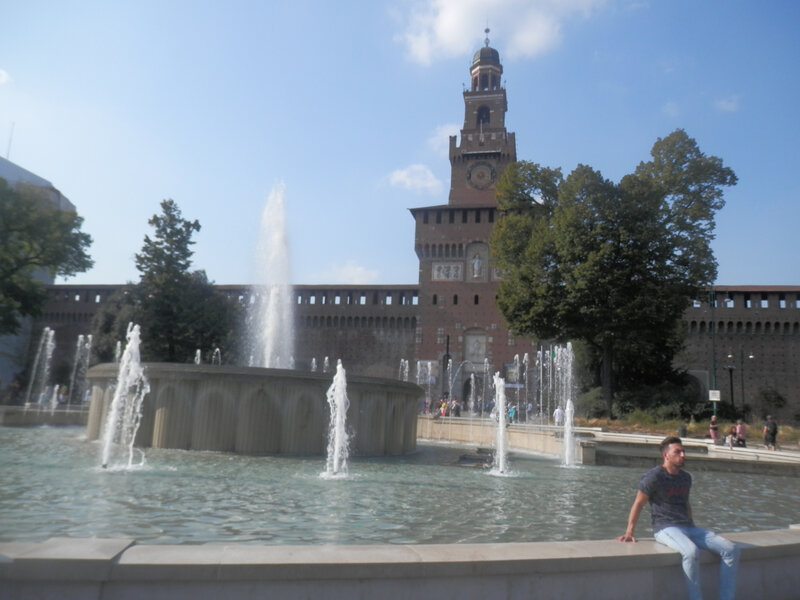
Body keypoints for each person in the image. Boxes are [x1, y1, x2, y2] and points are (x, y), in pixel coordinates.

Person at [617, 436, 739, 600]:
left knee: (730, 550)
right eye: (678, 452)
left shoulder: (685, 477)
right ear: (665, 455)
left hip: (688, 527)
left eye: (683, 451)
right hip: (665, 527)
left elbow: (686, 503)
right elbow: (638, 503)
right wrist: (629, 531)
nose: (682, 455)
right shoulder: (653, 477)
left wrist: (693, 526)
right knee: (691, 551)